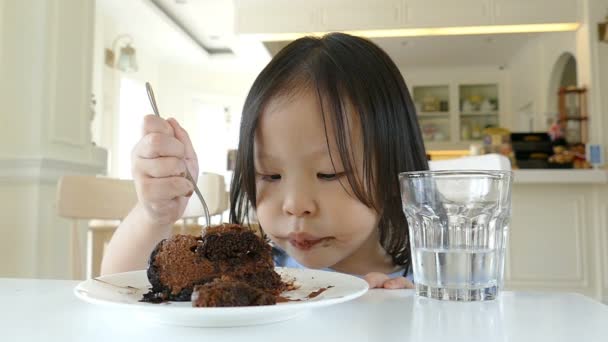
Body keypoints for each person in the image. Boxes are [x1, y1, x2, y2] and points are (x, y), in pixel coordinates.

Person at [101, 33, 428, 289]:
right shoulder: (244, 271)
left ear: (392, 173)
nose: (295, 205)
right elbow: (119, 284)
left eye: (328, 174)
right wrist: (154, 214)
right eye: (270, 175)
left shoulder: (430, 281)